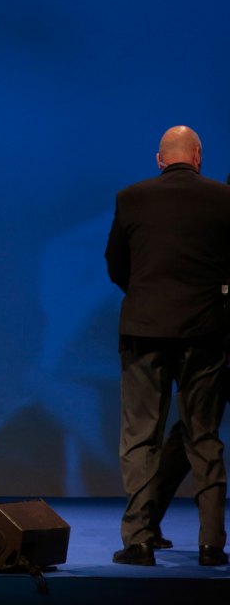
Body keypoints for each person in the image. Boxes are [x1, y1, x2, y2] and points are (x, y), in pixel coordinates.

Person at [104, 125, 230, 567]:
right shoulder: (224, 198)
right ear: (198, 157)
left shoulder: (130, 197)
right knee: (204, 436)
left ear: (159, 160)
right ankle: (212, 544)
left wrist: (147, 297)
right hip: (206, 333)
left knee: (141, 437)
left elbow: (116, 265)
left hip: (145, 331)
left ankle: (138, 542)